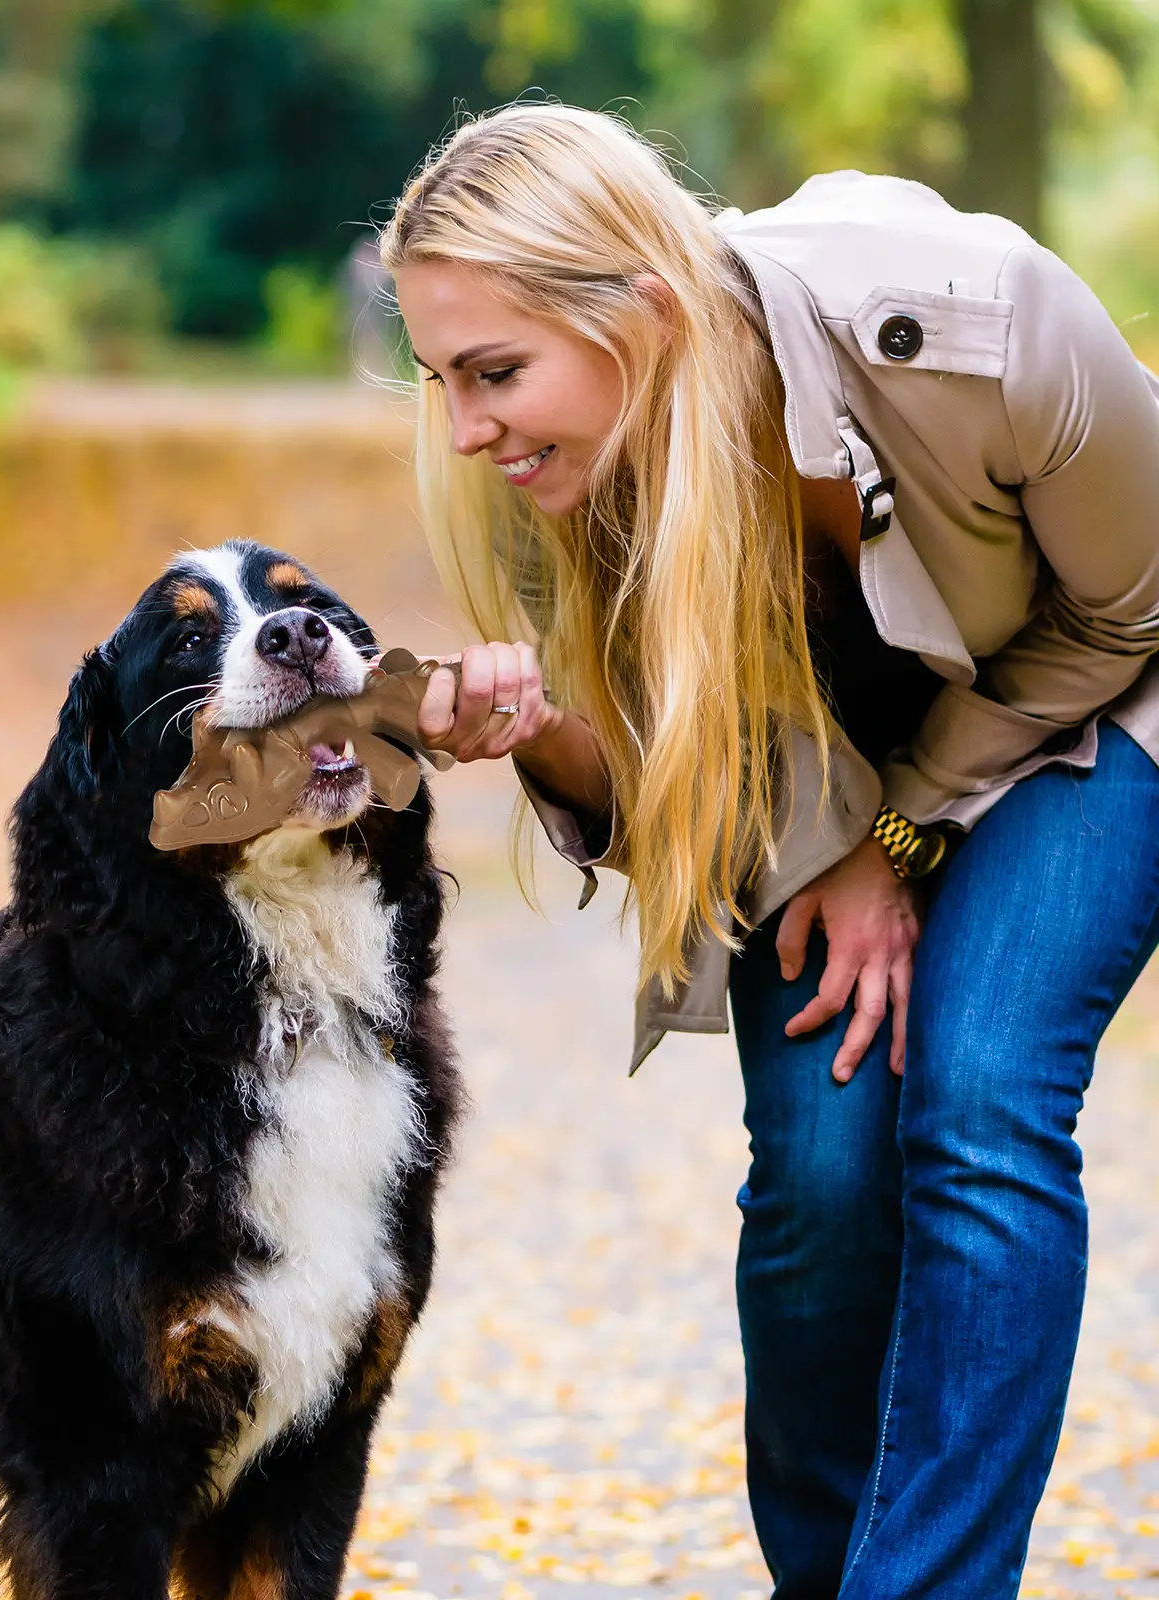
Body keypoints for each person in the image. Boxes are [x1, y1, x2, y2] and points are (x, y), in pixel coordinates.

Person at [380, 103, 1159, 1598]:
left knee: (983, 1089)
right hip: (834, 777)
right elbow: (671, 774)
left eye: (493, 372)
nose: (466, 427)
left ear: (646, 312)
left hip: (1105, 691)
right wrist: (541, 726)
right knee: (817, 1162)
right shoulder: (575, 457)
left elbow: (1128, 607)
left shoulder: (984, 324)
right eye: (440, 378)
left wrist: (896, 825)